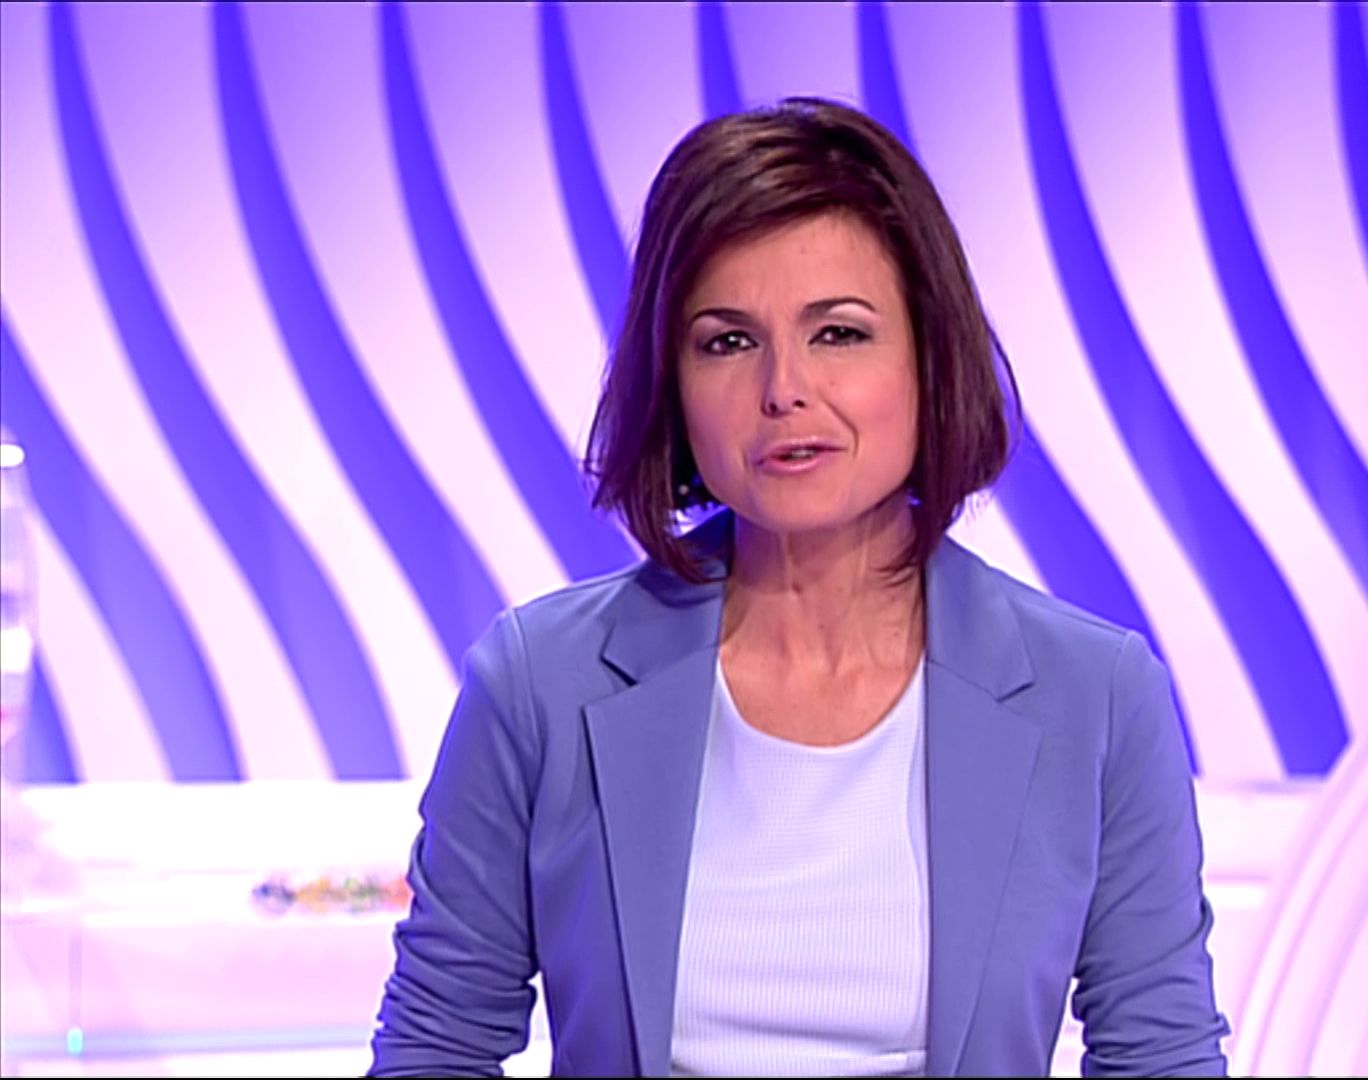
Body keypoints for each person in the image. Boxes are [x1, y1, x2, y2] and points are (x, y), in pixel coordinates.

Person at [368, 97, 1229, 1078]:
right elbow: (436, 1046)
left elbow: (1161, 1058)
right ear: (672, 384)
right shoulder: (539, 684)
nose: (784, 388)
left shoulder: (1097, 697)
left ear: (929, 357)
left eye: (839, 334)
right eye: (728, 342)